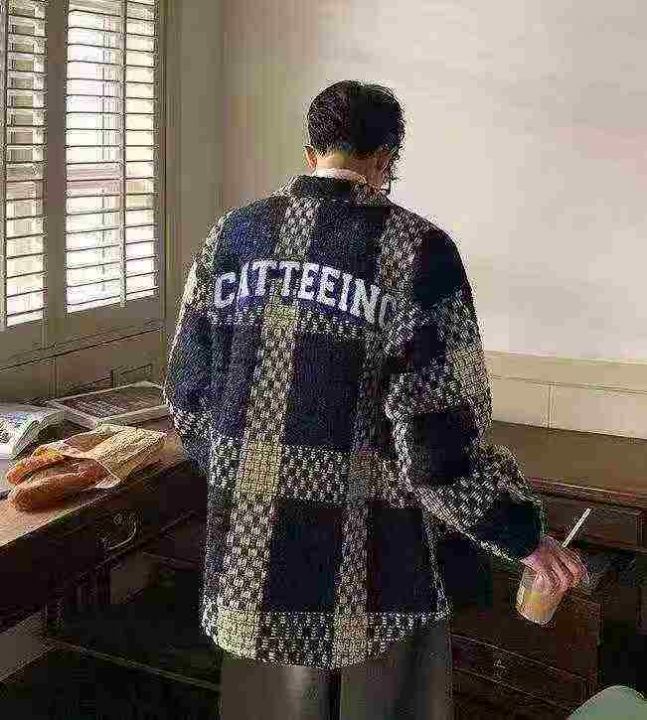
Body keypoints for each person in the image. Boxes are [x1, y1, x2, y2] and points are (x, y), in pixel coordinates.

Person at [164, 80, 587, 720]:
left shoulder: (232, 236)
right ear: (387, 159)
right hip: (375, 568)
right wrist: (521, 534)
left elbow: (187, 396)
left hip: (252, 561)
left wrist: (251, 477)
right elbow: (437, 451)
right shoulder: (420, 252)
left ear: (311, 152)